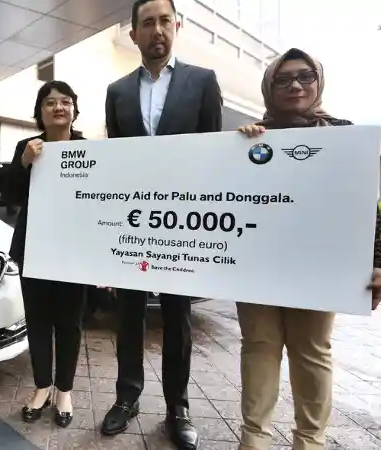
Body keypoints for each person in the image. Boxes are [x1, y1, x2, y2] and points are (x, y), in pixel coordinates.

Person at [234, 47, 381, 450]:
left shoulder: (343, 135)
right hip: (258, 265)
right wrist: (237, 148)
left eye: (305, 76)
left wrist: (379, 261)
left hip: (319, 266)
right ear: (269, 87)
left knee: (311, 352)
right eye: (283, 78)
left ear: (318, 82)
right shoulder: (251, 137)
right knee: (259, 348)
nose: (295, 85)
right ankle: (253, 441)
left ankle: (310, 442)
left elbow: (363, 204)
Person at [101, 0, 222, 448]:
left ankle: (178, 407)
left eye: (165, 21)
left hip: (182, 224)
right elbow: (115, 162)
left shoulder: (203, 81)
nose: (157, 30)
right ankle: (126, 397)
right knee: (129, 314)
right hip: (133, 224)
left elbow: (214, 155)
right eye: (147, 22)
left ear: (177, 26)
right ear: (133, 33)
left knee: (178, 318)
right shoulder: (116, 91)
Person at [4, 80, 87, 428]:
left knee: (69, 323)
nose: (58, 108)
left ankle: (64, 390)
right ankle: (42, 387)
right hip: (34, 247)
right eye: (50, 102)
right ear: (40, 111)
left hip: (73, 250)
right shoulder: (27, 147)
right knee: (38, 321)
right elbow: (10, 195)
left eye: (65, 102)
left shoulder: (88, 149)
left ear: (74, 110)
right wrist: (24, 163)